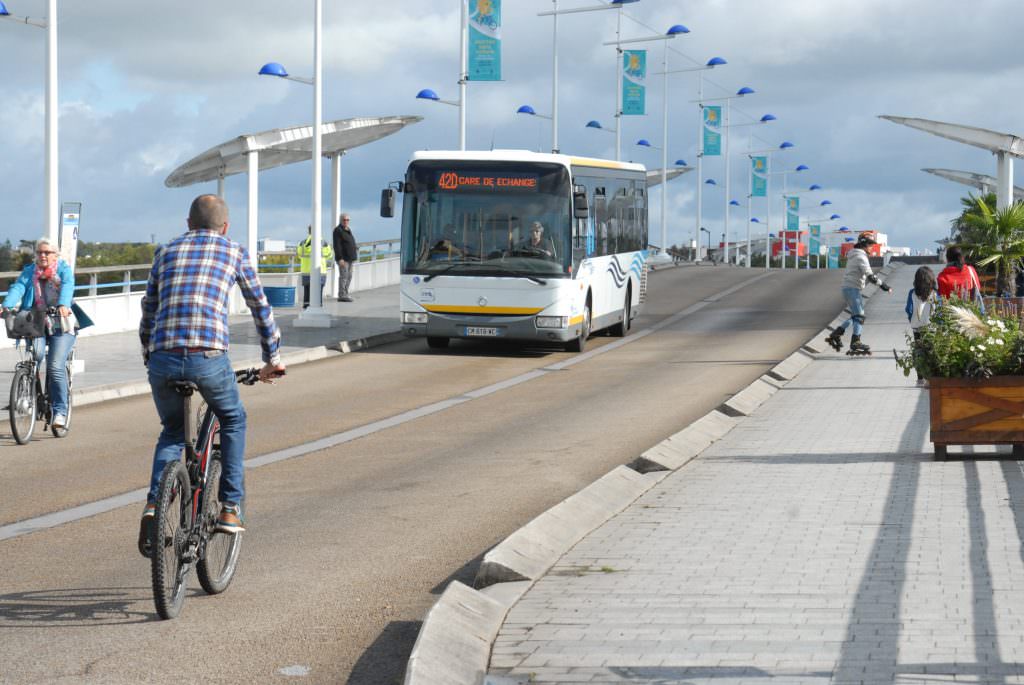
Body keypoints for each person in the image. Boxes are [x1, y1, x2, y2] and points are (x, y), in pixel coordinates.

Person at [138, 194, 285, 551]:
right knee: (233, 418)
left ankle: (156, 505)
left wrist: (149, 353)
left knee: (173, 432)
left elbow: (149, 309)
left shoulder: (165, 251)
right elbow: (260, 308)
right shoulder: (234, 251)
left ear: (188, 223)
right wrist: (272, 358)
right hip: (208, 357)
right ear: (226, 226)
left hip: (163, 358)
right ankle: (231, 507)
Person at [1, 237, 77, 428]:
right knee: (35, 356)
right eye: (39, 252)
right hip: (36, 322)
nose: (43, 256)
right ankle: (30, 394)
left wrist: (63, 304)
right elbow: (18, 287)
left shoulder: (63, 270)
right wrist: (6, 305)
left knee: (55, 366)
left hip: (61, 322)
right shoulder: (30, 271)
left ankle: (60, 412)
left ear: (55, 255)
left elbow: (67, 286)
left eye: (47, 252)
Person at [825, 231, 892, 355]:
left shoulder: (855, 254)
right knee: (859, 316)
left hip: (849, 288)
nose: (872, 247)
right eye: (870, 245)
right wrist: (884, 286)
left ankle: (837, 333)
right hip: (852, 289)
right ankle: (855, 342)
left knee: (856, 316)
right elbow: (870, 276)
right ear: (864, 244)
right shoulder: (861, 257)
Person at [905, 265, 938, 383]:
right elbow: (938, 309)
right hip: (931, 328)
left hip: (916, 327)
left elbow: (908, 309)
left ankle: (919, 377)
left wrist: (912, 320)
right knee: (930, 351)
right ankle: (930, 376)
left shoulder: (912, 293)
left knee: (919, 351)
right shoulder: (934, 293)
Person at [937, 246, 985, 312]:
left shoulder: (942, 277)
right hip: (972, 314)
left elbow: (943, 300)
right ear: (962, 257)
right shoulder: (971, 270)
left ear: (947, 259)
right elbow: (978, 288)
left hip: (951, 316)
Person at [297, 226, 334, 308]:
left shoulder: (302, 243)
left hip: (306, 271)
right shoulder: (323, 242)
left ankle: (306, 306)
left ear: (309, 231)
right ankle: (318, 306)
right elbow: (329, 255)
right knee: (318, 291)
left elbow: (299, 255)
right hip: (320, 271)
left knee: (307, 290)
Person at [332, 213, 358, 301]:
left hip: (350, 258)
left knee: (349, 276)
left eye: (347, 220)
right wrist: (340, 258)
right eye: (344, 220)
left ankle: (346, 293)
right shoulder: (338, 230)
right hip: (344, 259)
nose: (346, 221)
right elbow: (337, 245)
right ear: (341, 220)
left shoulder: (348, 229)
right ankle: (342, 295)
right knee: (344, 276)